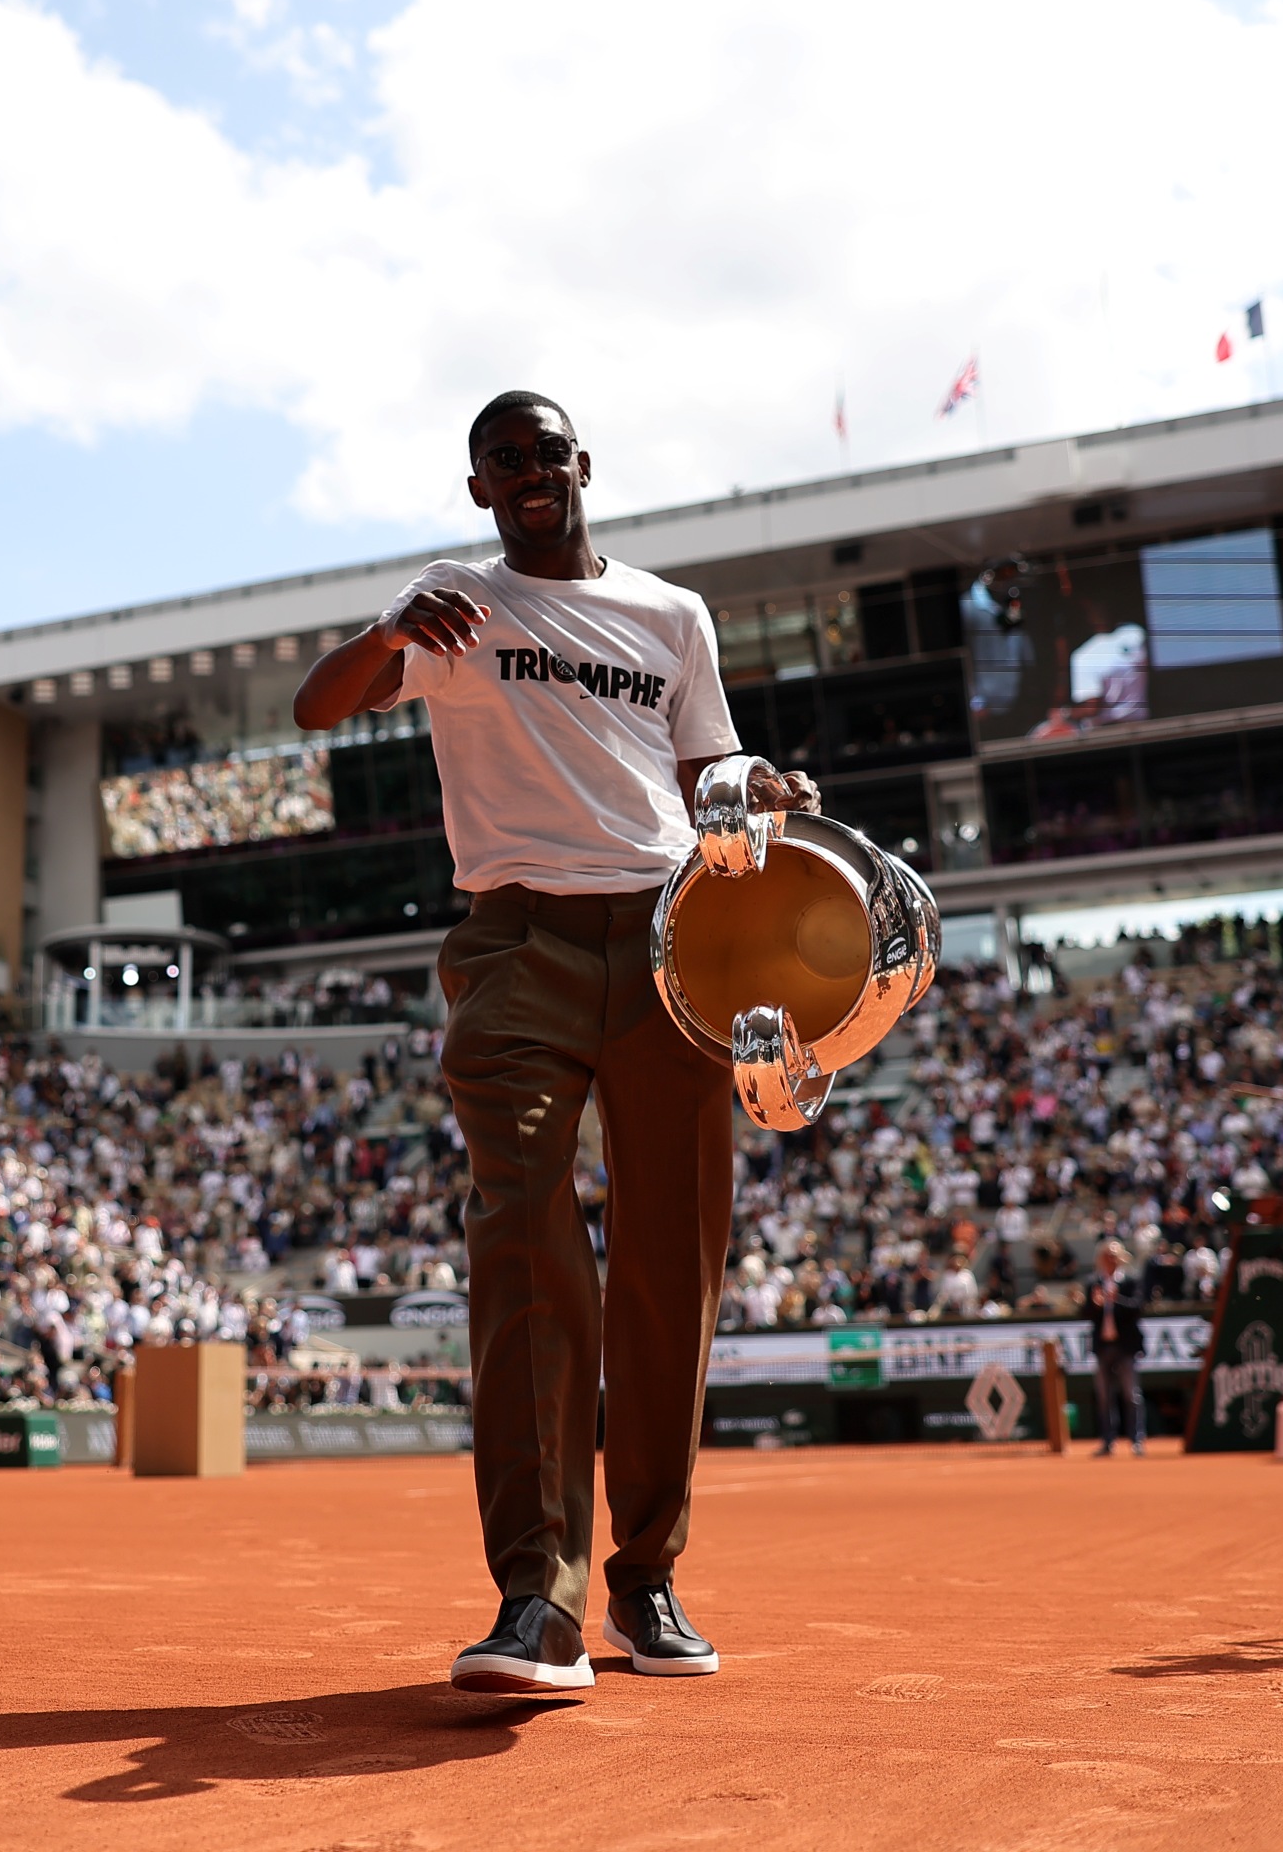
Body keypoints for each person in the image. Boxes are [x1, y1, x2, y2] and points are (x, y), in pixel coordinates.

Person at [294, 390, 810, 1695]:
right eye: (501, 460)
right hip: (514, 941)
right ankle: (538, 1598)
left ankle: (646, 1582)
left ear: (585, 466)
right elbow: (317, 708)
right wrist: (391, 632)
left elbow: (713, 784)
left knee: (667, 1261)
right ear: (479, 489)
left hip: (664, 941)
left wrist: (763, 795)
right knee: (522, 1234)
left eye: (545, 453)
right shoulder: (453, 602)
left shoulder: (669, 616)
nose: (528, 472)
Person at [1081, 1238, 1147, 1455]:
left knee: (1131, 1394)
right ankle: (1107, 1442)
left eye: (1113, 1255)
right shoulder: (1093, 1283)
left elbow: (1137, 1307)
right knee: (1103, 1396)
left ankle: (1137, 1440)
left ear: (1120, 1258)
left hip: (1125, 1347)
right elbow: (1085, 1314)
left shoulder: (1131, 1280)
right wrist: (1095, 1304)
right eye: (1106, 1255)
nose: (1110, 1259)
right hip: (1103, 1347)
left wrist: (1115, 1299)